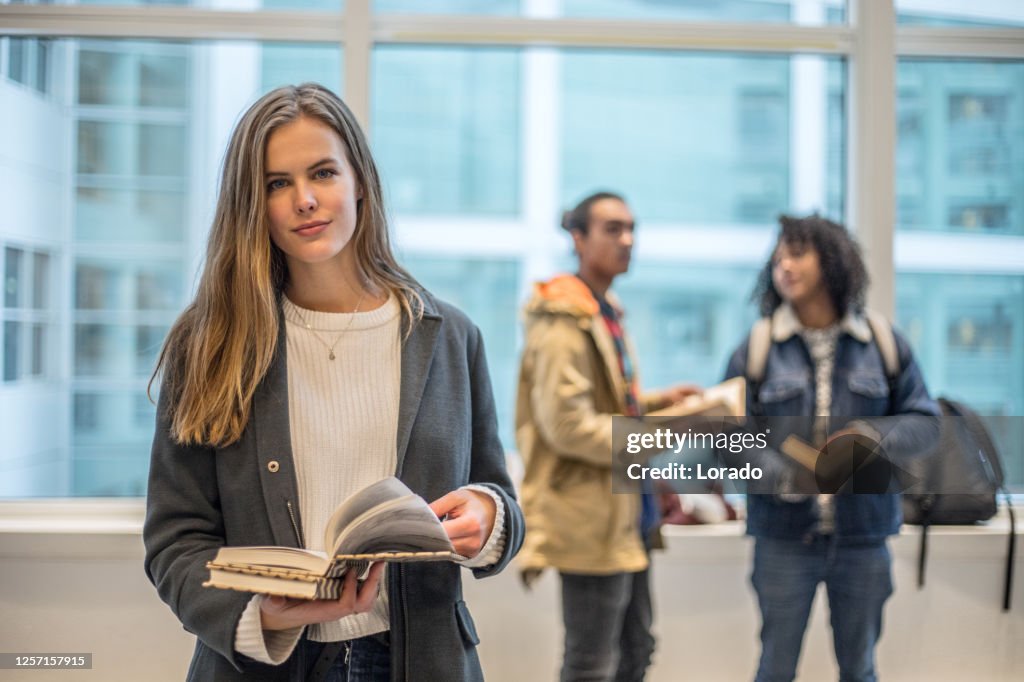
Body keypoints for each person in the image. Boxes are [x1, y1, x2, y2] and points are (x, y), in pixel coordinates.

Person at [142, 83, 524, 682]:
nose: (304, 200)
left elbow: (499, 497)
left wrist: (489, 517)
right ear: (252, 203)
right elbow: (175, 541)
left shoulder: (449, 335)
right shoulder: (209, 343)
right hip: (267, 662)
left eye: (322, 173)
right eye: (276, 183)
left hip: (420, 658)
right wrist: (262, 614)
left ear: (360, 183)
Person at [723, 214, 938, 682]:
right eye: (778, 257)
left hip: (863, 538)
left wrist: (874, 437)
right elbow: (727, 437)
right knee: (774, 669)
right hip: (782, 537)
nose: (784, 266)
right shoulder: (757, 347)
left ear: (833, 262)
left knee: (860, 670)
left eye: (797, 254)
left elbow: (926, 425)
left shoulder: (881, 342)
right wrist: (782, 475)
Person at [516, 191, 698, 682]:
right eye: (613, 229)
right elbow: (568, 427)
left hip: (625, 513)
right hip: (590, 518)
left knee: (636, 650)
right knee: (592, 663)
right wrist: (661, 432)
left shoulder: (604, 311)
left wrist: (661, 403)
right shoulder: (563, 319)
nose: (628, 240)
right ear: (577, 237)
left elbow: (607, 406)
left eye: (631, 229)